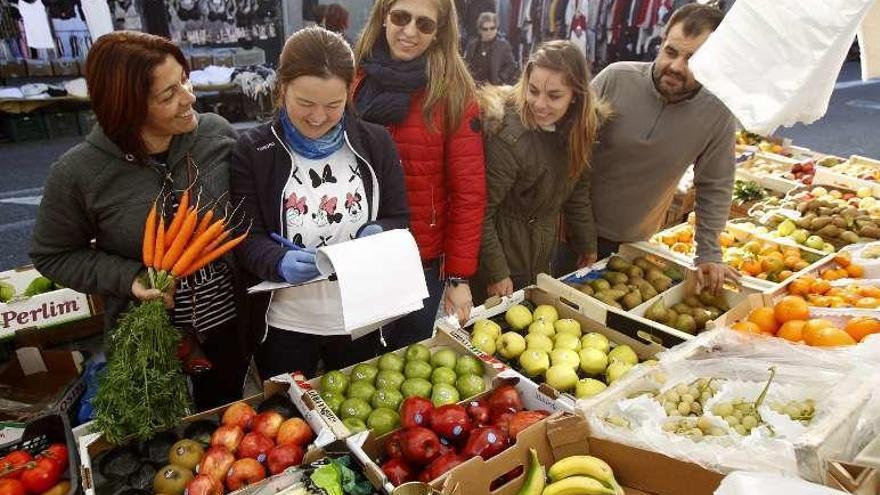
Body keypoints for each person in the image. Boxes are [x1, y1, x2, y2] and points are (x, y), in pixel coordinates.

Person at [30, 31, 249, 410]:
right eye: (169, 95)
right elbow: (54, 254)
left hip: (229, 325)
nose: (189, 97)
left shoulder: (216, 135)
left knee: (225, 413)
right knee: (160, 434)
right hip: (148, 338)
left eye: (184, 78)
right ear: (127, 107)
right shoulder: (79, 173)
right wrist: (129, 278)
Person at [230, 27, 410, 380]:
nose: (317, 117)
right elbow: (246, 240)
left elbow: (399, 217)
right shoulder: (253, 151)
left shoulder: (375, 143)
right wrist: (278, 260)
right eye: (305, 103)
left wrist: (379, 232)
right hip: (286, 325)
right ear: (282, 89)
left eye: (333, 105)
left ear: (349, 92)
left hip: (361, 317)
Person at [555, 3, 739, 294]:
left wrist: (708, 252)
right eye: (671, 51)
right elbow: (567, 149)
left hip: (631, 245)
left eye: (692, 59)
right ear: (661, 41)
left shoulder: (717, 113)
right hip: (566, 230)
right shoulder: (617, 78)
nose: (676, 66)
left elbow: (715, 185)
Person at [353, 0, 486, 346]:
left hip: (420, 259)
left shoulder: (453, 92)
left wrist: (458, 277)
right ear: (384, 17)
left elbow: (468, 192)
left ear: (439, 32)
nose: (410, 31)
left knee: (406, 357)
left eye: (424, 24)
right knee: (355, 358)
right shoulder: (355, 76)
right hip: (355, 249)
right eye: (400, 17)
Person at [473, 40, 603, 302]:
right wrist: (496, 272)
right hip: (500, 253)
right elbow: (481, 210)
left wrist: (587, 244)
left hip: (541, 252)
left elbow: (578, 192)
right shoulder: (507, 135)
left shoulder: (580, 131)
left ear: (575, 95)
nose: (540, 104)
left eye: (554, 96)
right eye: (533, 91)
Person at [464, 12, 518, 86]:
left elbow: (511, 65)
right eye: (485, 29)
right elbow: (466, 65)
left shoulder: (503, 45)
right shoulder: (473, 45)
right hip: (474, 87)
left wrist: (501, 78)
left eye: (492, 28)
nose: (489, 31)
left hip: (493, 88)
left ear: (496, 28)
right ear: (480, 30)